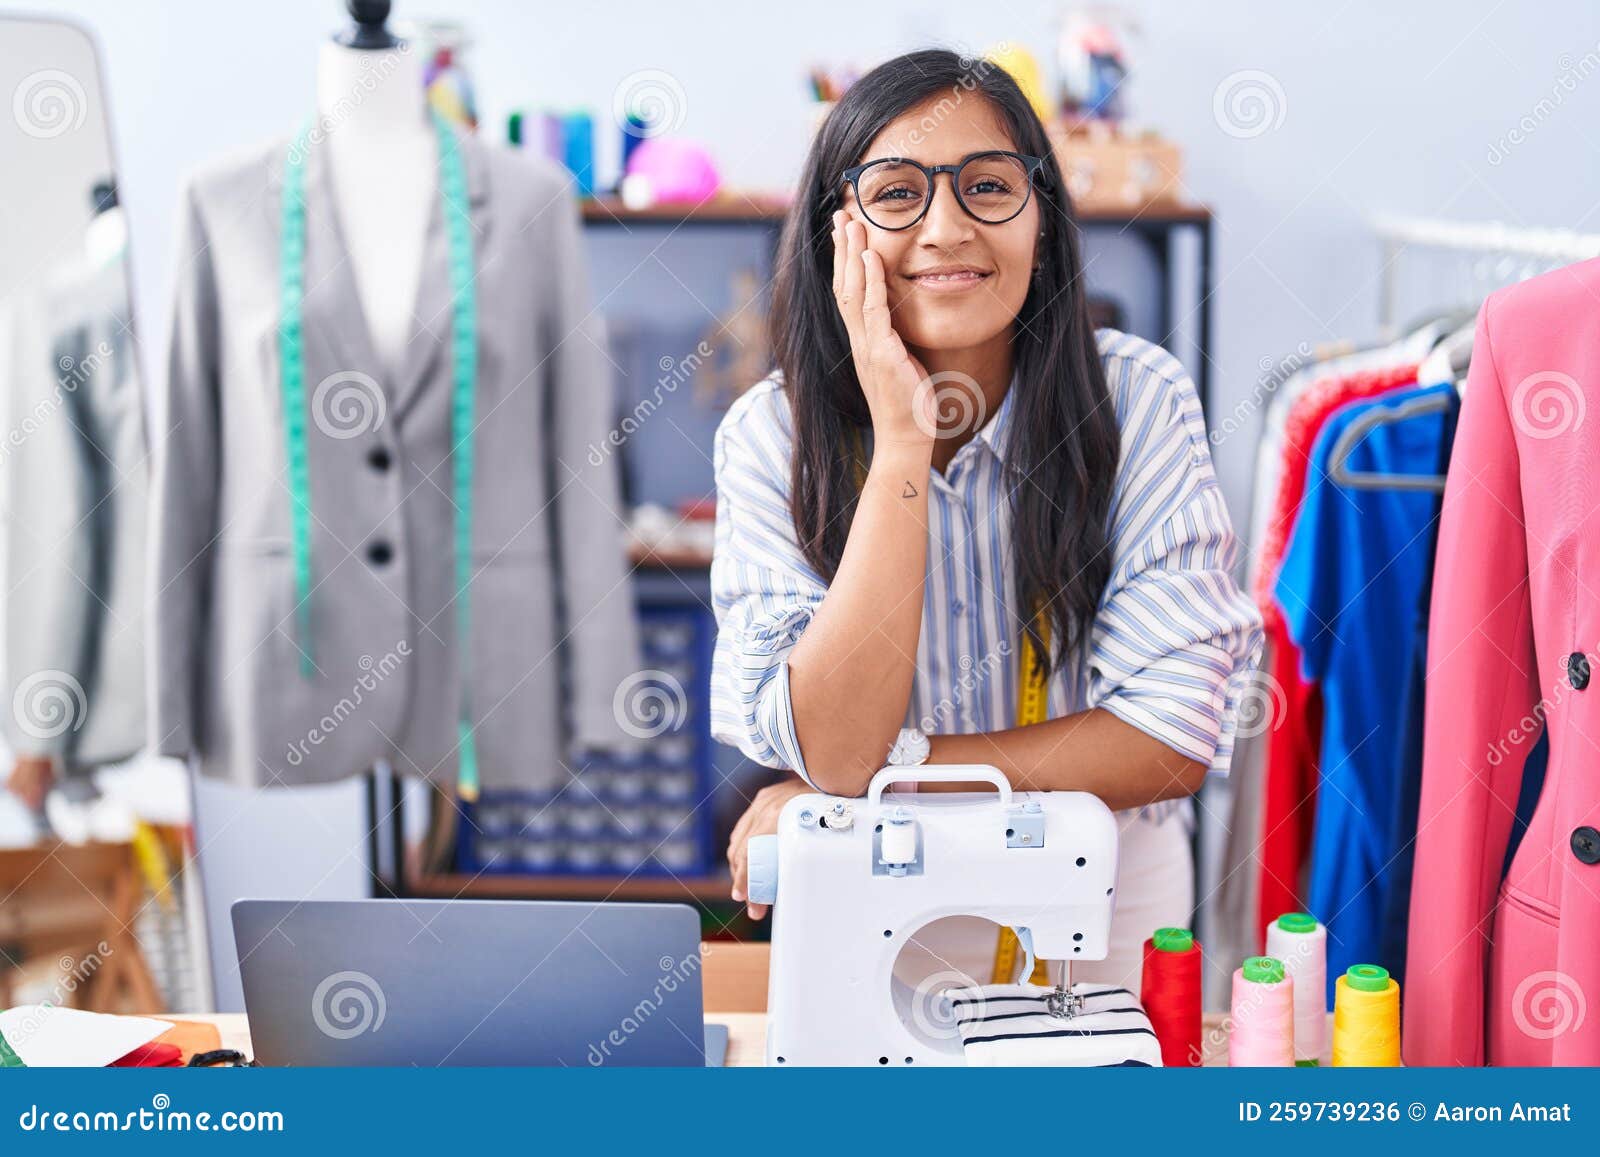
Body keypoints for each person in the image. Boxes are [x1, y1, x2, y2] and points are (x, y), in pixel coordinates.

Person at [709, 48, 1262, 990]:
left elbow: (1168, 740)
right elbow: (836, 746)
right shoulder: (771, 435)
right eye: (895, 194)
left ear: (1042, 222)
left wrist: (898, 774)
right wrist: (899, 447)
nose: (947, 227)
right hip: (873, 899)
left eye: (988, 186)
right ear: (834, 234)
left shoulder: (1137, 402)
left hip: (1104, 906)